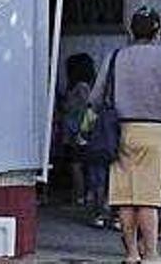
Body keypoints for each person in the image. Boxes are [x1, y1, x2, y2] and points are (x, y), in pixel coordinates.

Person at [89, 6, 161, 264]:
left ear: (130, 30)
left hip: (121, 130)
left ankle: (131, 254)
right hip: (158, 130)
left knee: (125, 197)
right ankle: (151, 254)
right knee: (149, 197)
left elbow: (95, 97)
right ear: (158, 30)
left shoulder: (115, 57)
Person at [61, 54, 95, 207]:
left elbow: (82, 110)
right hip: (80, 132)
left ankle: (80, 196)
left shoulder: (80, 87)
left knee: (76, 165)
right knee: (81, 165)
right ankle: (83, 195)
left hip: (77, 133)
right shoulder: (87, 86)